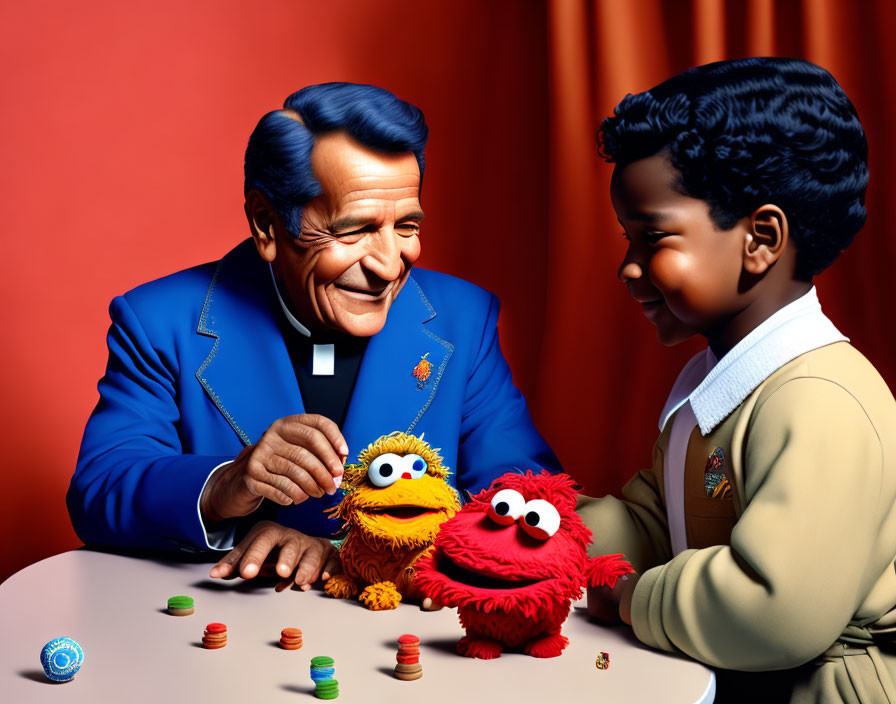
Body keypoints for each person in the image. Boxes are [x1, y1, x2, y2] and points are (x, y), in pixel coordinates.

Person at [68, 82, 560, 591]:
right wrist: (225, 484)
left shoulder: (465, 317)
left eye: (407, 226)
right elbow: (101, 489)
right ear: (266, 223)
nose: (390, 265)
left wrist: (348, 554)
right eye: (353, 231)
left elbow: (526, 497)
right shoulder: (157, 320)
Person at [576, 57, 896, 701]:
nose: (628, 269)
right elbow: (660, 521)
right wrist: (544, 535)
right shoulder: (718, 383)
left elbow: (779, 608)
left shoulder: (818, 399)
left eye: (653, 238)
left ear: (761, 238)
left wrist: (635, 596)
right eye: (625, 239)